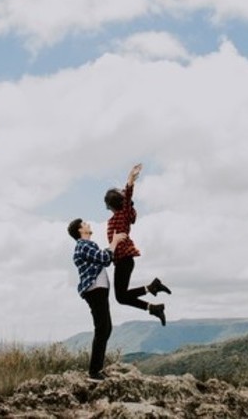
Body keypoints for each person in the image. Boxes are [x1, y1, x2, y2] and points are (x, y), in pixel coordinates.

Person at [105, 163, 172, 326]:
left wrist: (130, 179)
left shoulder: (123, 214)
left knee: (121, 297)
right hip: (121, 261)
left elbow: (127, 197)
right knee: (121, 297)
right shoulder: (114, 218)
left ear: (111, 203)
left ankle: (153, 291)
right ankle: (153, 302)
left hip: (125, 260)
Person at [68, 217, 126, 381]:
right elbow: (104, 258)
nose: (88, 224)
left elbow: (104, 258)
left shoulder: (87, 246)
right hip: (95, 290)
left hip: (98, 290)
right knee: (102, 328)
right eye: (84, 224)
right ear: (80, 230)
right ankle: (94, 372)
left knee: (106, 328)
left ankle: (97, 369)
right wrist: (114, 242)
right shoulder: (83, 245)